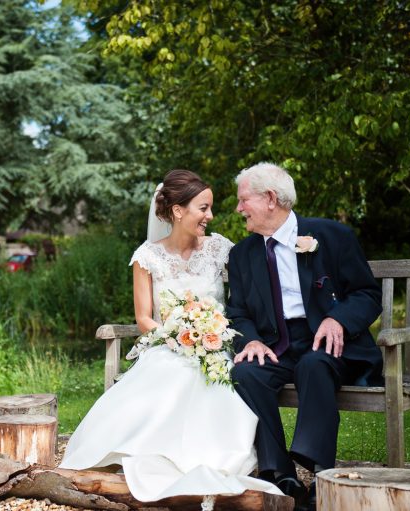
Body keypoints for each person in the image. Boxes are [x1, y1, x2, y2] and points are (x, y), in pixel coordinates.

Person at [60, 169, 281, 506]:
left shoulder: (221, 249)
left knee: (210, 374)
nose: (211, 215)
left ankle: (210, 457)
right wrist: (176, 337)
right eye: (203, 208)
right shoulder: (147, 256)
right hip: (167, 343)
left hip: (217, 344)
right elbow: (144, 318)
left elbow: (242, 303)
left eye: (209, 208)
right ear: (179, 211)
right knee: (171, 369)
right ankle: (158, 455)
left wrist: (212, 334)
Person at [227, 162, 384, 511]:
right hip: (276, 346)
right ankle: (279, 475)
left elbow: (366, 293)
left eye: (243, 200)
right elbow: (237, 312)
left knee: (313, 365)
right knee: (245, 373)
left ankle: (321, 475)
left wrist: (338, 320)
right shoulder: (242, 255)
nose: (238, 208)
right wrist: (250, 340)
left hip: (329, 344)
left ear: (270, 199)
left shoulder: (331, 236)